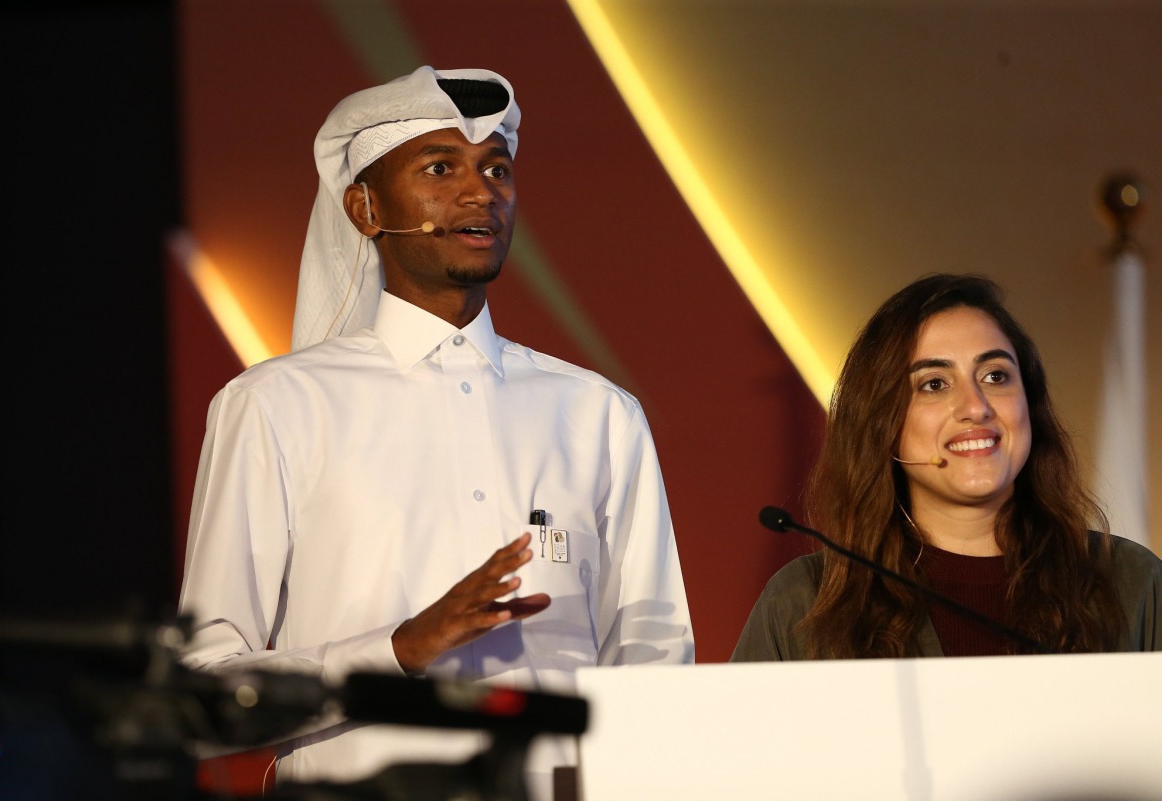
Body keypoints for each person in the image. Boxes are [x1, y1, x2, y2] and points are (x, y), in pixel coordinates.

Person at [177, 66, 694, 798]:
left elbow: (656, 669)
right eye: (441, 167)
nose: (481, 191)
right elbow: (200, 696)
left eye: (498, 169)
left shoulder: (597, 412)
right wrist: (397, 649)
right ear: (364, 207)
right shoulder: (277, 405)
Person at [732, 272, 1161, 661]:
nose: (975, 408)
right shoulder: (806, 603)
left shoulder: (1130, 583)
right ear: (884, 422)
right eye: (934, 384)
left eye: (995, 376)